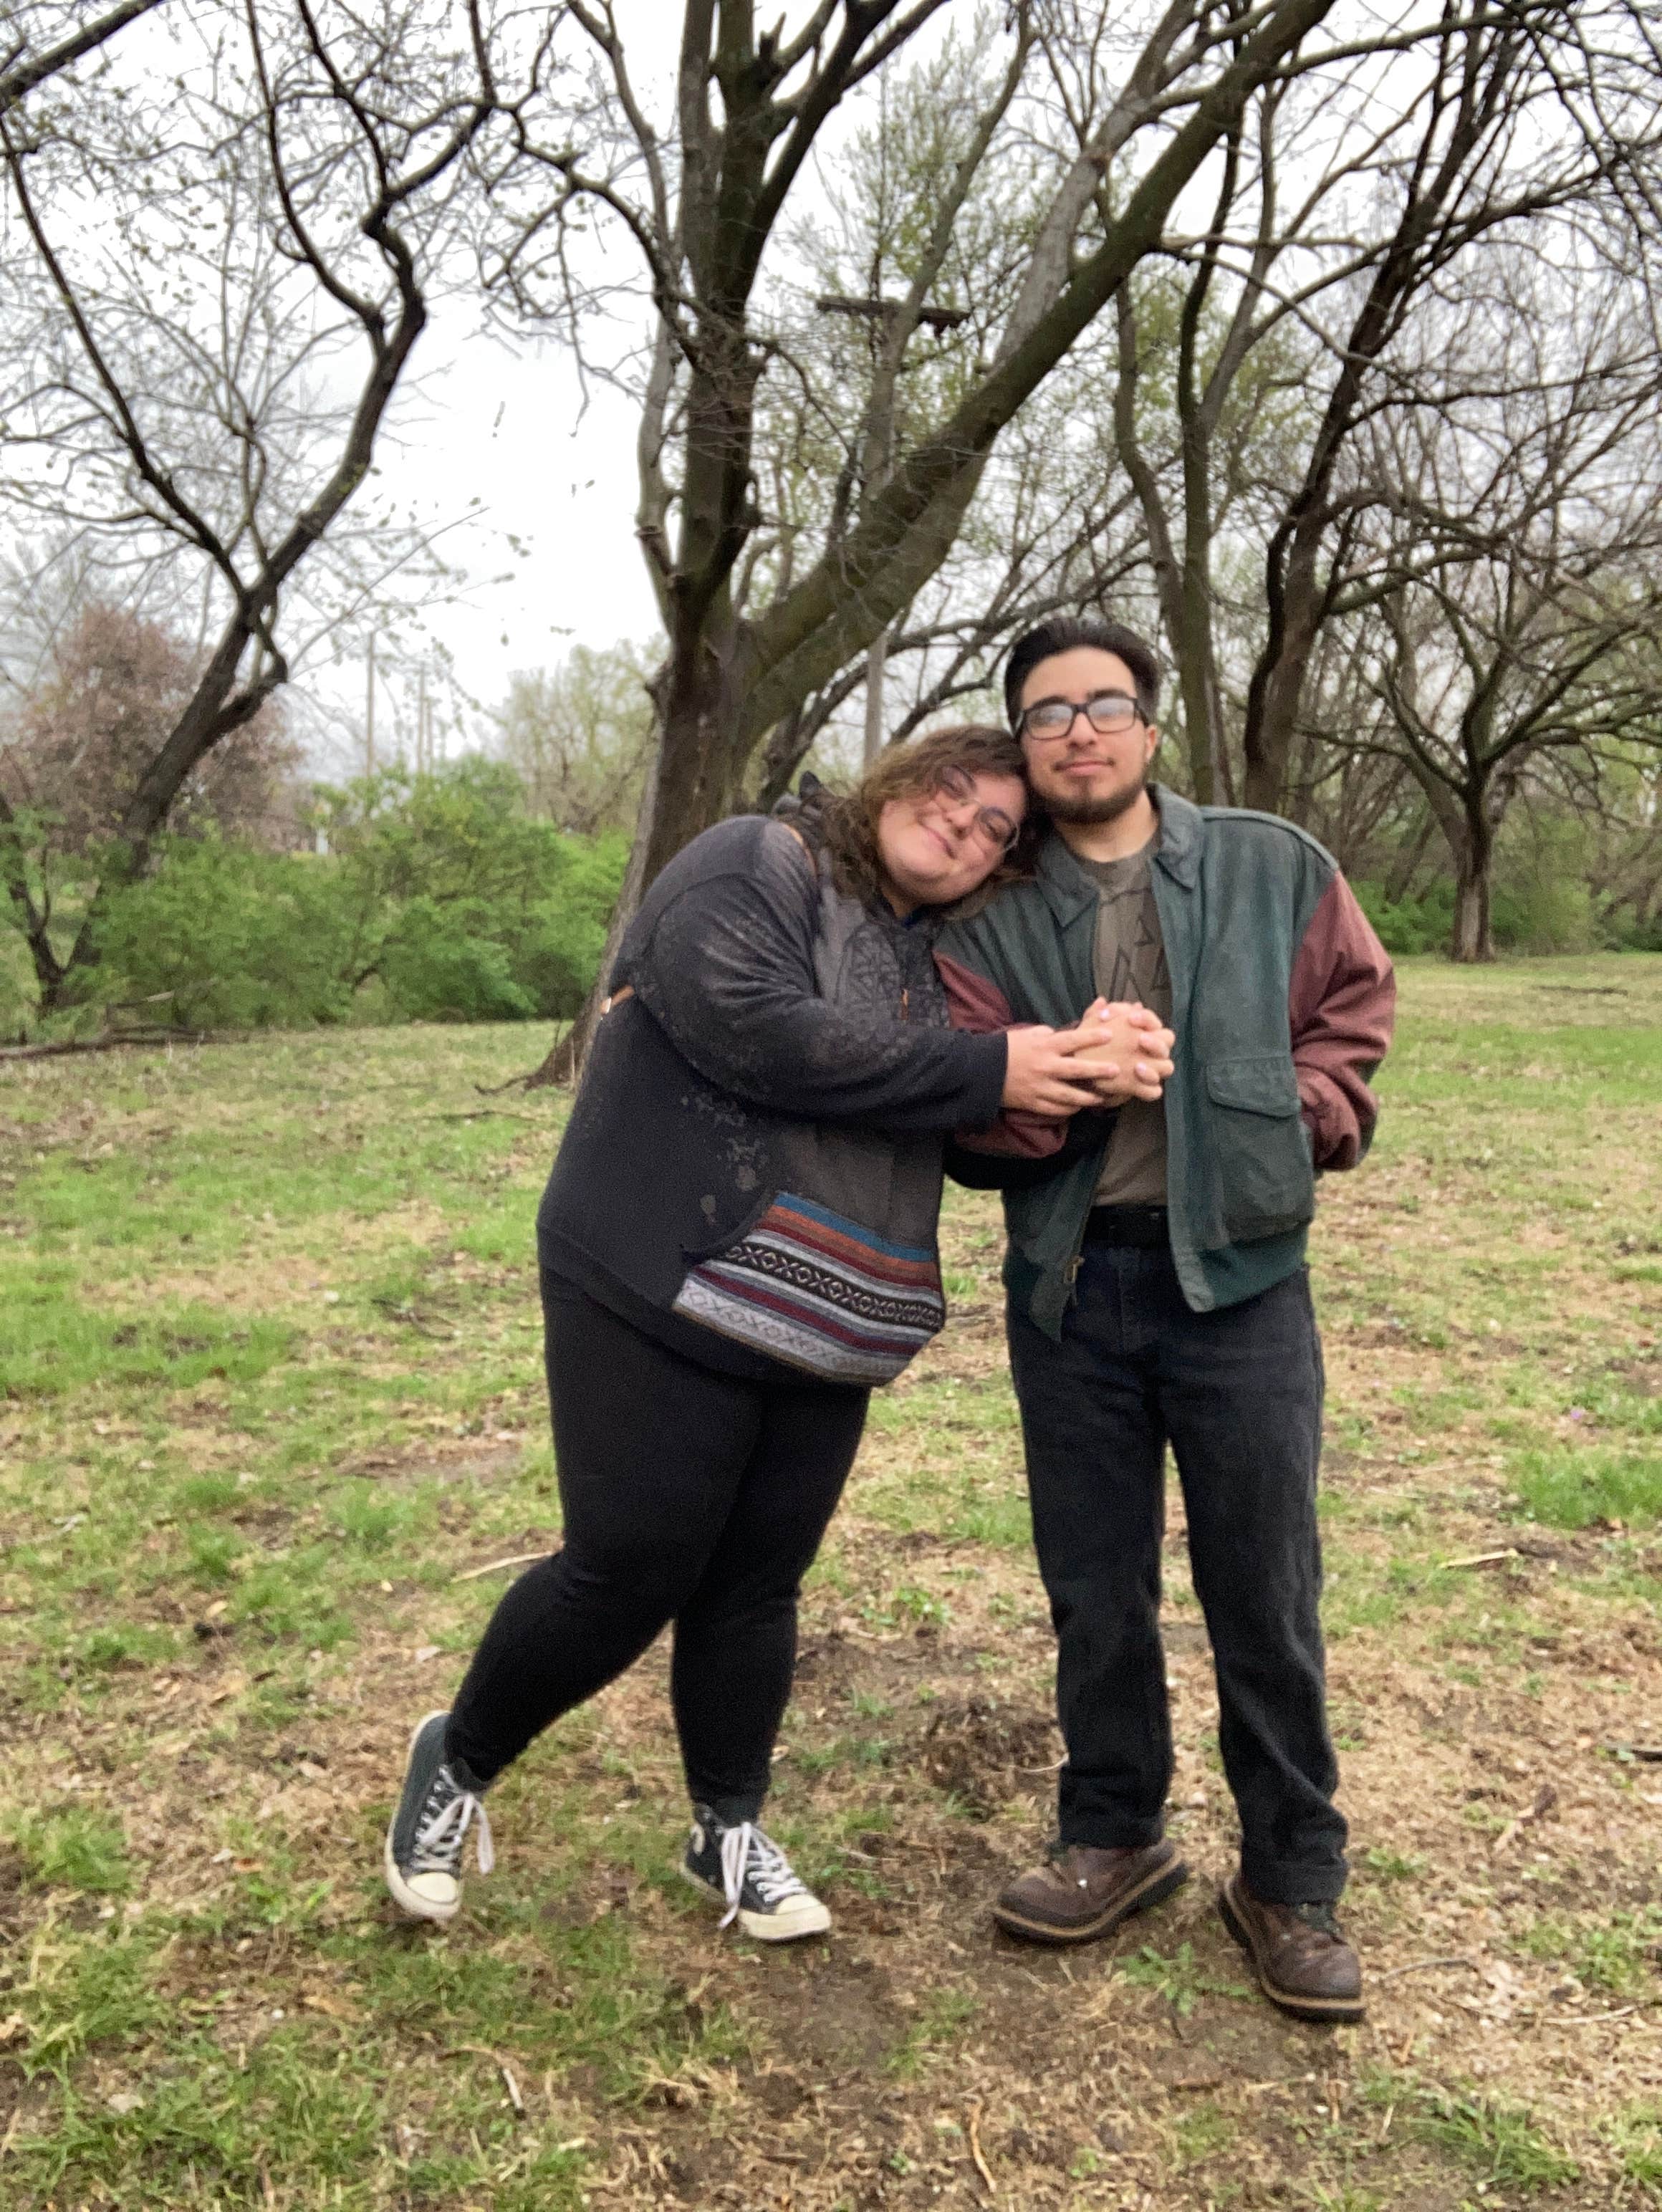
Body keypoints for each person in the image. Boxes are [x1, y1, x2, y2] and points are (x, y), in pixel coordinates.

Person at [382, 723, 1171, 1943]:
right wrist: (991, 1069)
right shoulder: (756, 862)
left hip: (829, 1312)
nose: (963, 826)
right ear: (897, 779)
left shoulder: (936, 957)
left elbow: (953, 1123)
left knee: (756, 1583)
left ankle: (726, 1826)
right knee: (628, 1567)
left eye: (994, 832)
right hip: (662, 1269)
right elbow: (760, 1030)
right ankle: (460, 1760)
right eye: (950, 794)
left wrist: (1071, 1079)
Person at [936, 617, 1395, 2023]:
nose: (1076, 728)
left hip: (1241, 1285)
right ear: (1020, 743)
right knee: (1094, 1587)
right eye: (1045, 712)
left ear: (1148, 722)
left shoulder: (1270, 862)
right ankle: (1114, 1831)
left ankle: (1287, 1877)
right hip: (1072, 1287)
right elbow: (962, 1097)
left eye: (1102, 702)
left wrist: (1283, 1117)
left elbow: (1351, 1013)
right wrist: (1058, 1082)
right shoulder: (990, 914)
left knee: (1262, 1585)